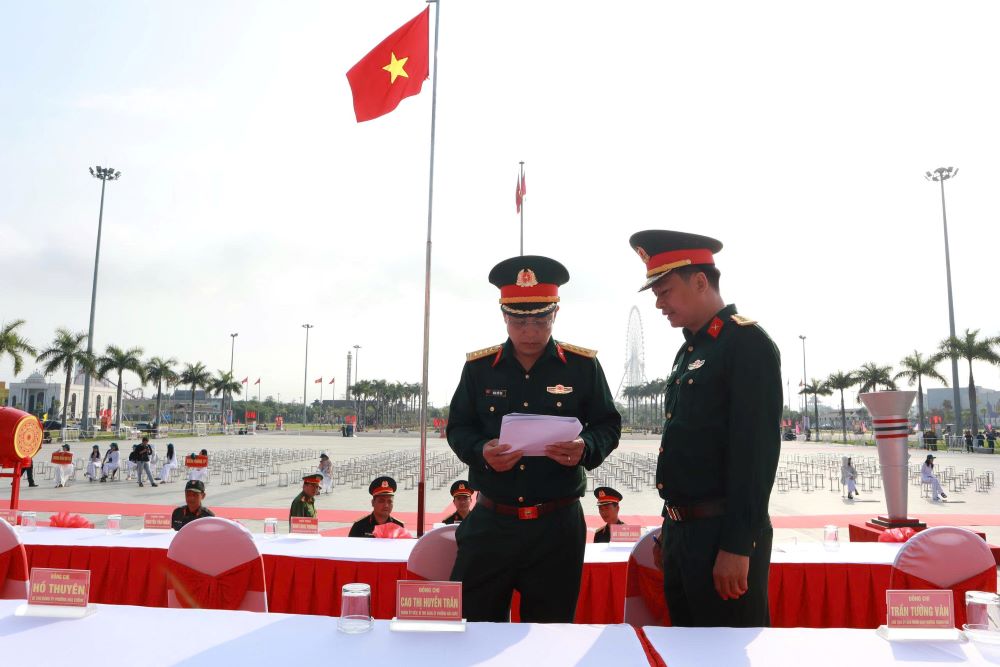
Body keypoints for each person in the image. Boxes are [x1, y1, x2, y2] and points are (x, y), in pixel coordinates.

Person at [446, 255, 622, 623]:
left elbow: (607, 423)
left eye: (540, 320)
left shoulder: (582, 366)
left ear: (555, 313)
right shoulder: (480, 368)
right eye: (519, 321)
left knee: (550, 633)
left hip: (556, 526)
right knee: (473, 627)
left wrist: (586, 447)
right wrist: (481, 451)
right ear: (504, 316)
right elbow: (458, 427)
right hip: (492, 521)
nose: (530, 332)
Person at [628, 230, 782, 628]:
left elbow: (755, 455)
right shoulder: (690, 350)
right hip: (683, 535)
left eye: (664, 291)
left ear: (700, 281)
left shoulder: (746, 344)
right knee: (686, 647)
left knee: (724, 648)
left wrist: (737, 546)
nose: (659, 303)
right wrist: (670, 527)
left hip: (721, 538)